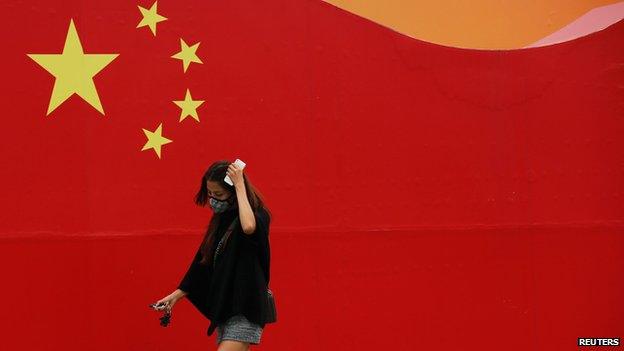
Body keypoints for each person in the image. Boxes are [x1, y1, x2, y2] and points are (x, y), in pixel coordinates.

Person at [153, 160, 273, 351]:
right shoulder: (221, 220)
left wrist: (240, 184)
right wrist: (176, 295)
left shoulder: (258, 215)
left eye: (218, 194)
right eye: (210, 194)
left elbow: (249, 227)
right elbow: (203, 261)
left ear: (234, 193)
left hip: (246, 308)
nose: (213, 200)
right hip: (226, 308)